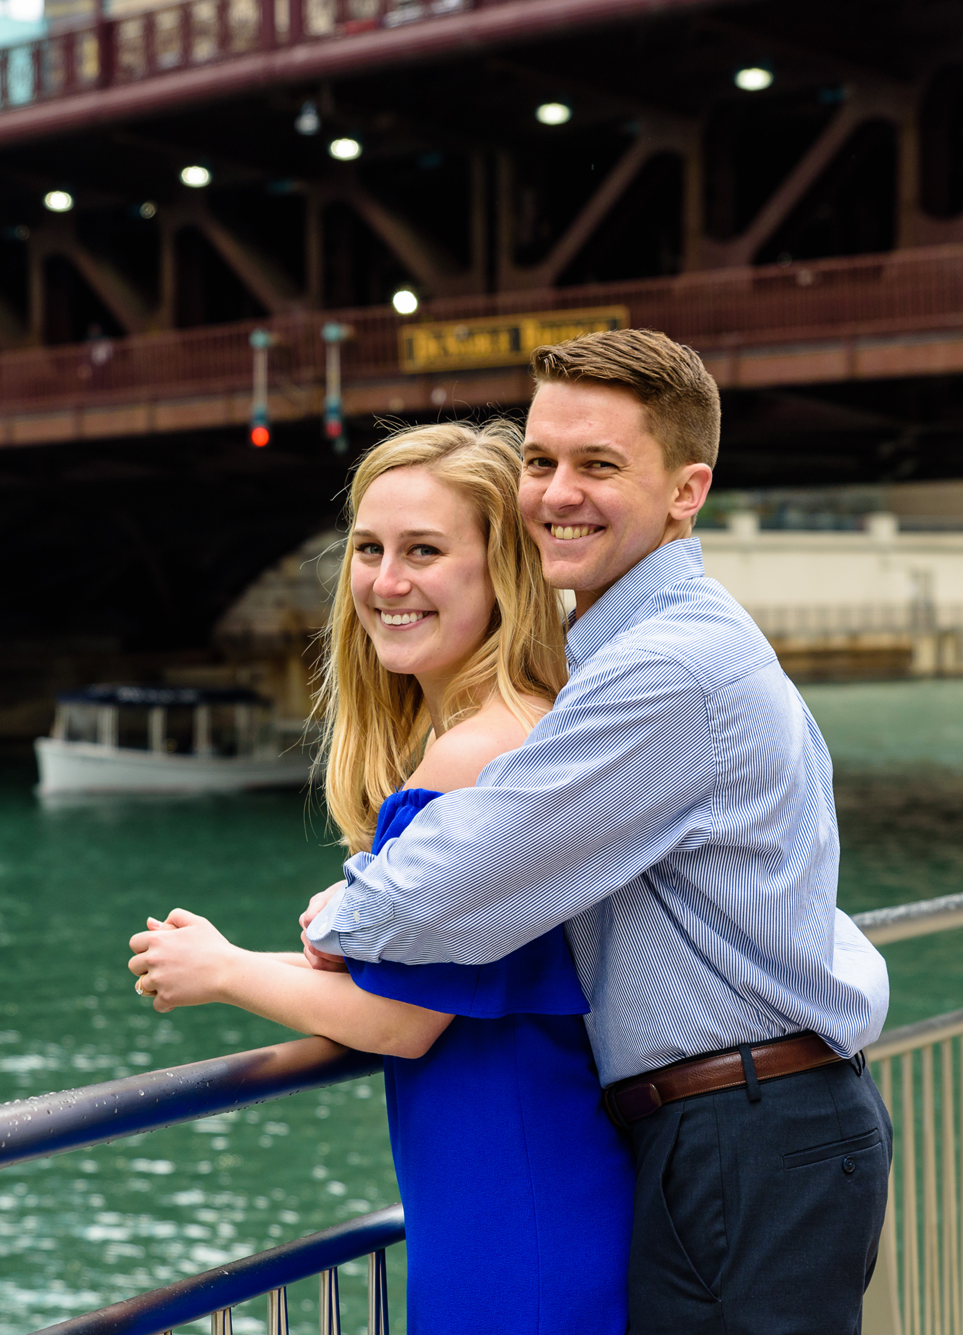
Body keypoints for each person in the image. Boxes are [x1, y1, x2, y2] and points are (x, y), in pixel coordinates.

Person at [298, 328, 892, 1334]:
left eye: (597, 465)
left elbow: (467, 878)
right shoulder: (638, 650)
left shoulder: (662, 671)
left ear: (684, 491)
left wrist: (340, 915)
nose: (554, 492)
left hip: (738, 1131)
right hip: (739, 1122)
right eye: (539, 461)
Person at [128, 421, 633, 1335]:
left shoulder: (476, 760)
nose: (386, 582)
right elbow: (418, 989)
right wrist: (234, 953)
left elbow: (402, 1022)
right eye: (368, 548)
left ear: (503, 571)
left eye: (425, 551)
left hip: (512, 1219)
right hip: (527, 1189)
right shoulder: (524, 730)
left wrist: (225, 973)